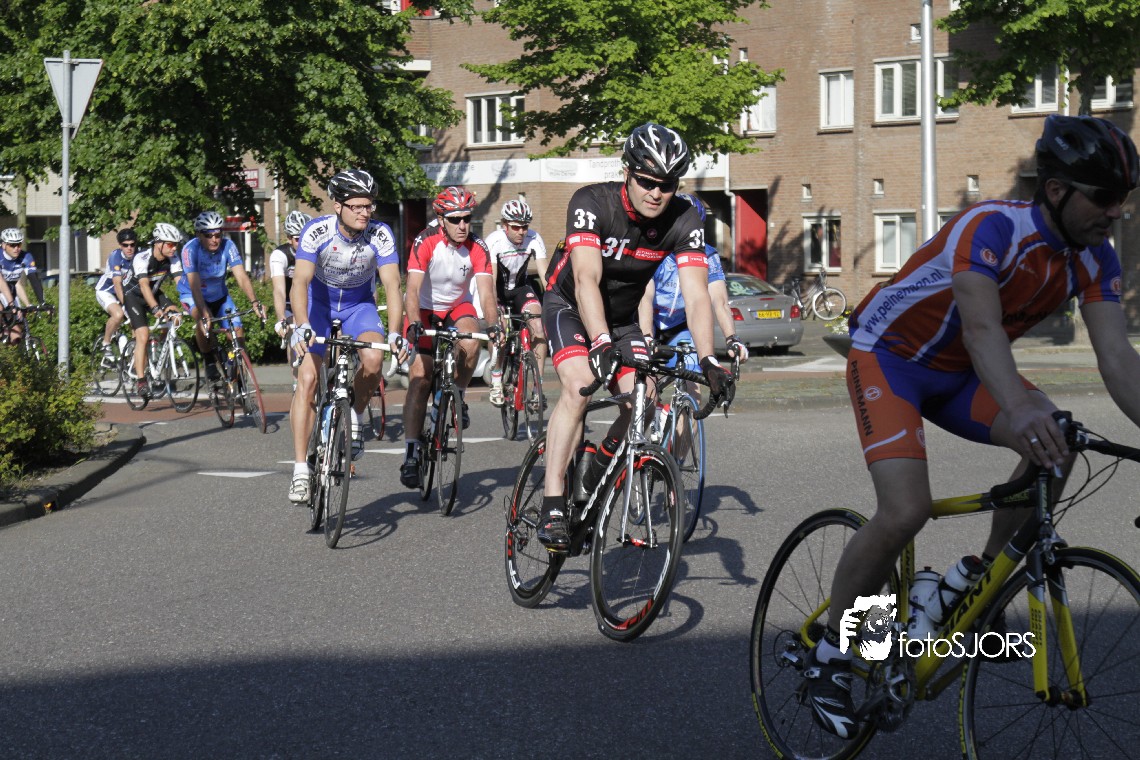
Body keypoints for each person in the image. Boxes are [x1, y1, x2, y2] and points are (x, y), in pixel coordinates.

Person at [800, 114, 1140, 739]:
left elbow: (1118, 359)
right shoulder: (992, 227)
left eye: (1124, 198)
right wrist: (1022, 408)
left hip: (960, 374)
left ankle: (974, 581)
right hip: (891, 358)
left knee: (1058, 444)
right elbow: (982, 330)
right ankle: (831, 654)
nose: (1116, 211)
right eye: (1104, 197)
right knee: (906, 510)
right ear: (1057, 190)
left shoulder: (1095, 259)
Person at [535, 123, 735, 551]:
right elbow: (586, 279)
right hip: (570, 304)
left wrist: (708, 359)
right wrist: (600, 342)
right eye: (646, 181)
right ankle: (552, 499)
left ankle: (594, 470)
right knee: (580, 384)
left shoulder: (684, 218)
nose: (656, 193)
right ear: (627, 172)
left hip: (621, 317)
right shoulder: (592, 202)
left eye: (667, 184)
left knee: (643, 400)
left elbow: (697, 294)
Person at [287, 169, 407, 504]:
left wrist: (395, 332)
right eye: (356, 206)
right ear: (337, 206)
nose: (365, 212)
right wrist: (301, 324)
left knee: (374, 359)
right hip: (319, 307)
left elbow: (392, 285)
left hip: (358, 307)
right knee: (308, 378)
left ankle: (354, 414)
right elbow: (300, 283)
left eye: (369, 206)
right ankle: (300, 470)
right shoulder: (317, 231)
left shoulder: (380, 234)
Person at [399, 186, 502, 489]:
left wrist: (493, 325)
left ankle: (458, 395)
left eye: (467, 218)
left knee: (471, 341)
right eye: (455, 219)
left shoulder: (478, 246)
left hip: (457, 307)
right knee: (420, 377)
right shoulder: (426, 241)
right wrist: (414, 322)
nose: (462, 225)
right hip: (424, 310)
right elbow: (412, 290)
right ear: (441, 219)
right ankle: (411, 453)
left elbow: (486, 293)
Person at [640, 192, 750, 386]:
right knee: (647, 389)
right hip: (650, 323)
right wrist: (647, 336)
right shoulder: (654, 250)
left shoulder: (708, 255)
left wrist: (732, 338)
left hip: (680, 327)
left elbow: (720, 302)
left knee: (692, 383)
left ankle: (687, 405)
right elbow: (645, 298)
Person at [177, 211, 267, 382]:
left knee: (237, 330)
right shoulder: (190, 249)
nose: (214, 239)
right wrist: (204, 311)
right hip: (192, 294)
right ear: (198, 235)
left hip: (219, 296)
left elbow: (241, 276)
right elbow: (194, 284)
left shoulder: (228, 246)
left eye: (218, 235)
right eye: (208, 235)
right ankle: (209, 361)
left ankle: (238, 375)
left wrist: (254, 301)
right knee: (203, 320)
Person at [482, 198, 549, 406]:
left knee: (539, 325)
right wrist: (496, 311)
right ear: (504, 225)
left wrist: (555, 302)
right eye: (515, 227)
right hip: (498, 290)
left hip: (521, 288)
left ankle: (537, 387)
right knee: (500, 332)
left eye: (524, 227)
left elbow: (545, 277)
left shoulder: (534, 238)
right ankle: (496, 380)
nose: (521, 232)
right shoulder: (494, 241)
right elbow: (491, 281)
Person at [122, 223, 185, 398]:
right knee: (142, 334)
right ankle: (141, 381)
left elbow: (181, 283)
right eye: (170, 244)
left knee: (175, 315)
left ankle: (158, 351)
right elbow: (143, 285)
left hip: (154, 292)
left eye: (176, 244)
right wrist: (155, 308)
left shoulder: (173, 258)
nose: (174, 248)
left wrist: (191, 303)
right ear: (158, 243)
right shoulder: (141, 258)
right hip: (134, 296)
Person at [270, 210, 311, 369]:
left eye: (306, 238)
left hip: (311, 300)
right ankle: (296, 379)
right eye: (298, 239)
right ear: (289, 238)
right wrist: (281, 318)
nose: (303, 243)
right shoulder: (280, 255)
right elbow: (279, 291)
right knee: (295, 332)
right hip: (288, 304)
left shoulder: (317, 252)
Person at [93, 228, 139, 359]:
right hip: (107, 291)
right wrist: (127, 305)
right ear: (120, 245)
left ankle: (133, 357)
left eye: (132, 245)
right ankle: (106, 343)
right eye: (125, 245)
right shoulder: (115, 257)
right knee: (118, 314)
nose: (129, 248)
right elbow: (117, 284)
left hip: (124, 292)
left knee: (137, 323)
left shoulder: (138, 257)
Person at [0, 227, 45, 346]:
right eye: (12, 245)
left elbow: (32, 279)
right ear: (4, 245)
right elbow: (1, 283)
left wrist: (41, 302)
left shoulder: (26, 257)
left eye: (19, 244)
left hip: (9, 292)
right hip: (1, 289)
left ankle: (10, 353)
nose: (16, 248)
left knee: (16, 336)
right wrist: (11, 305)